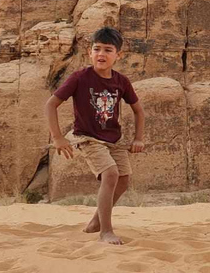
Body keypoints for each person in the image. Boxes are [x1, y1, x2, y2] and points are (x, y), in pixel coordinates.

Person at [45, 26, 145, 245]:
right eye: (96, 49)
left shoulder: (121, 81)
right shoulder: (79, 78)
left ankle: (95, 222)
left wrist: (138, 138)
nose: (101, 54)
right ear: (89, 52)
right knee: (110, 174)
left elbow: (138, 110)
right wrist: (58, 138)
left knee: (124, 180)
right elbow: (51, 105)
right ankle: (106, 232)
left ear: (118, 55)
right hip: (88, 137)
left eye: (108, 50)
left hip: (114, 139)